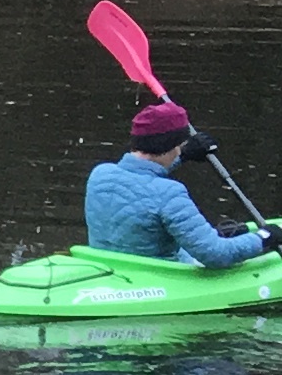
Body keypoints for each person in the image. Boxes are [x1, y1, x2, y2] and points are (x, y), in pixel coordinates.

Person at [84, 104, 270, 269]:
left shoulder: (100, 174)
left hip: (111, 267)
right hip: (163, 277)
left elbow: (140, 179)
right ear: (174, 146)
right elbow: (215, 254)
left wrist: (184, 156)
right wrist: (262, 239)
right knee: (245, 243)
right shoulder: (170, 194)